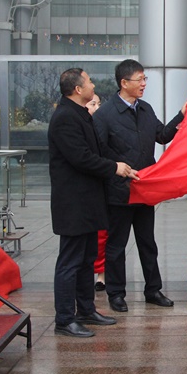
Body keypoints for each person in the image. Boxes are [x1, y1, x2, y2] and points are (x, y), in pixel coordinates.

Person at [48, 68, 138, 337]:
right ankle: (65, 319)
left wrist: (123, 166)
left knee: (87, 259)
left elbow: (98, 149)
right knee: (70, 262)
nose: (93, 85)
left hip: (88, 201)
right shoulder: (65, 118)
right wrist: (114, 168)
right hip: (73, 204)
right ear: (77, 89)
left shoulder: (81, 114)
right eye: (89, 82)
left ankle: (86, 310)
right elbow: (81, 158)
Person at [93, 59, 186, 313]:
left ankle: (153, 290)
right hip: (118, 192)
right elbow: (98, 154)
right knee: (116, 245)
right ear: (124, 83)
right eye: (140, 79)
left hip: (144, 190)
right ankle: (116, 293)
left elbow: (162, 135)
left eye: (145, 79)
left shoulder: (145, 109)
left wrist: (182, 115)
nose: (144, 84)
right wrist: (116, 171)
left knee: (147, 243)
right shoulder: (105, 115)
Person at [84, 94, 107, 292]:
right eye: (93, 104)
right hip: (84, 192)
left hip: (104, 188)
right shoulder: (78, 126)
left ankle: (102, 274)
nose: (97, 108)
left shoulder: (102, 124)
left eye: (99, 104)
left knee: (103, 235)